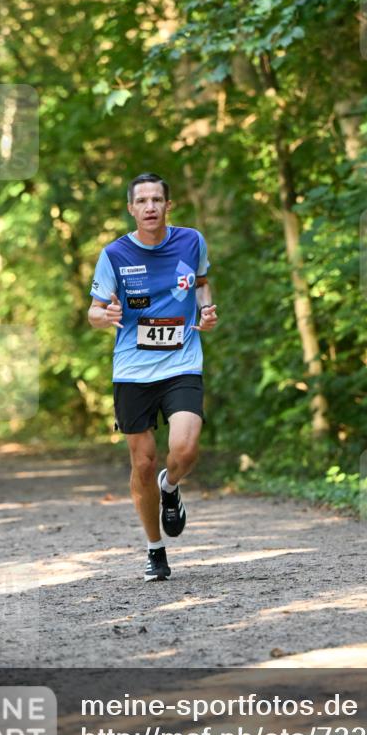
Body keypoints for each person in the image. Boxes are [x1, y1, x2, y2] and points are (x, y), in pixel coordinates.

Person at [87, 173, 218, 581]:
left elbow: (200, 284)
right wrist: (104, 315)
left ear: (167, 205)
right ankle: (155, 549)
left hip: (181, 362)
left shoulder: (192, 241)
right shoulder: (114, 255)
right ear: (131, 208)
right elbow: (93, 311)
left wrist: (206, 310)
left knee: (185, 449)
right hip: (132, 370)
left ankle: (171, 485)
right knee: (142, 463)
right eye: (141, 200)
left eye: (156, 199)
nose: (149, 207)